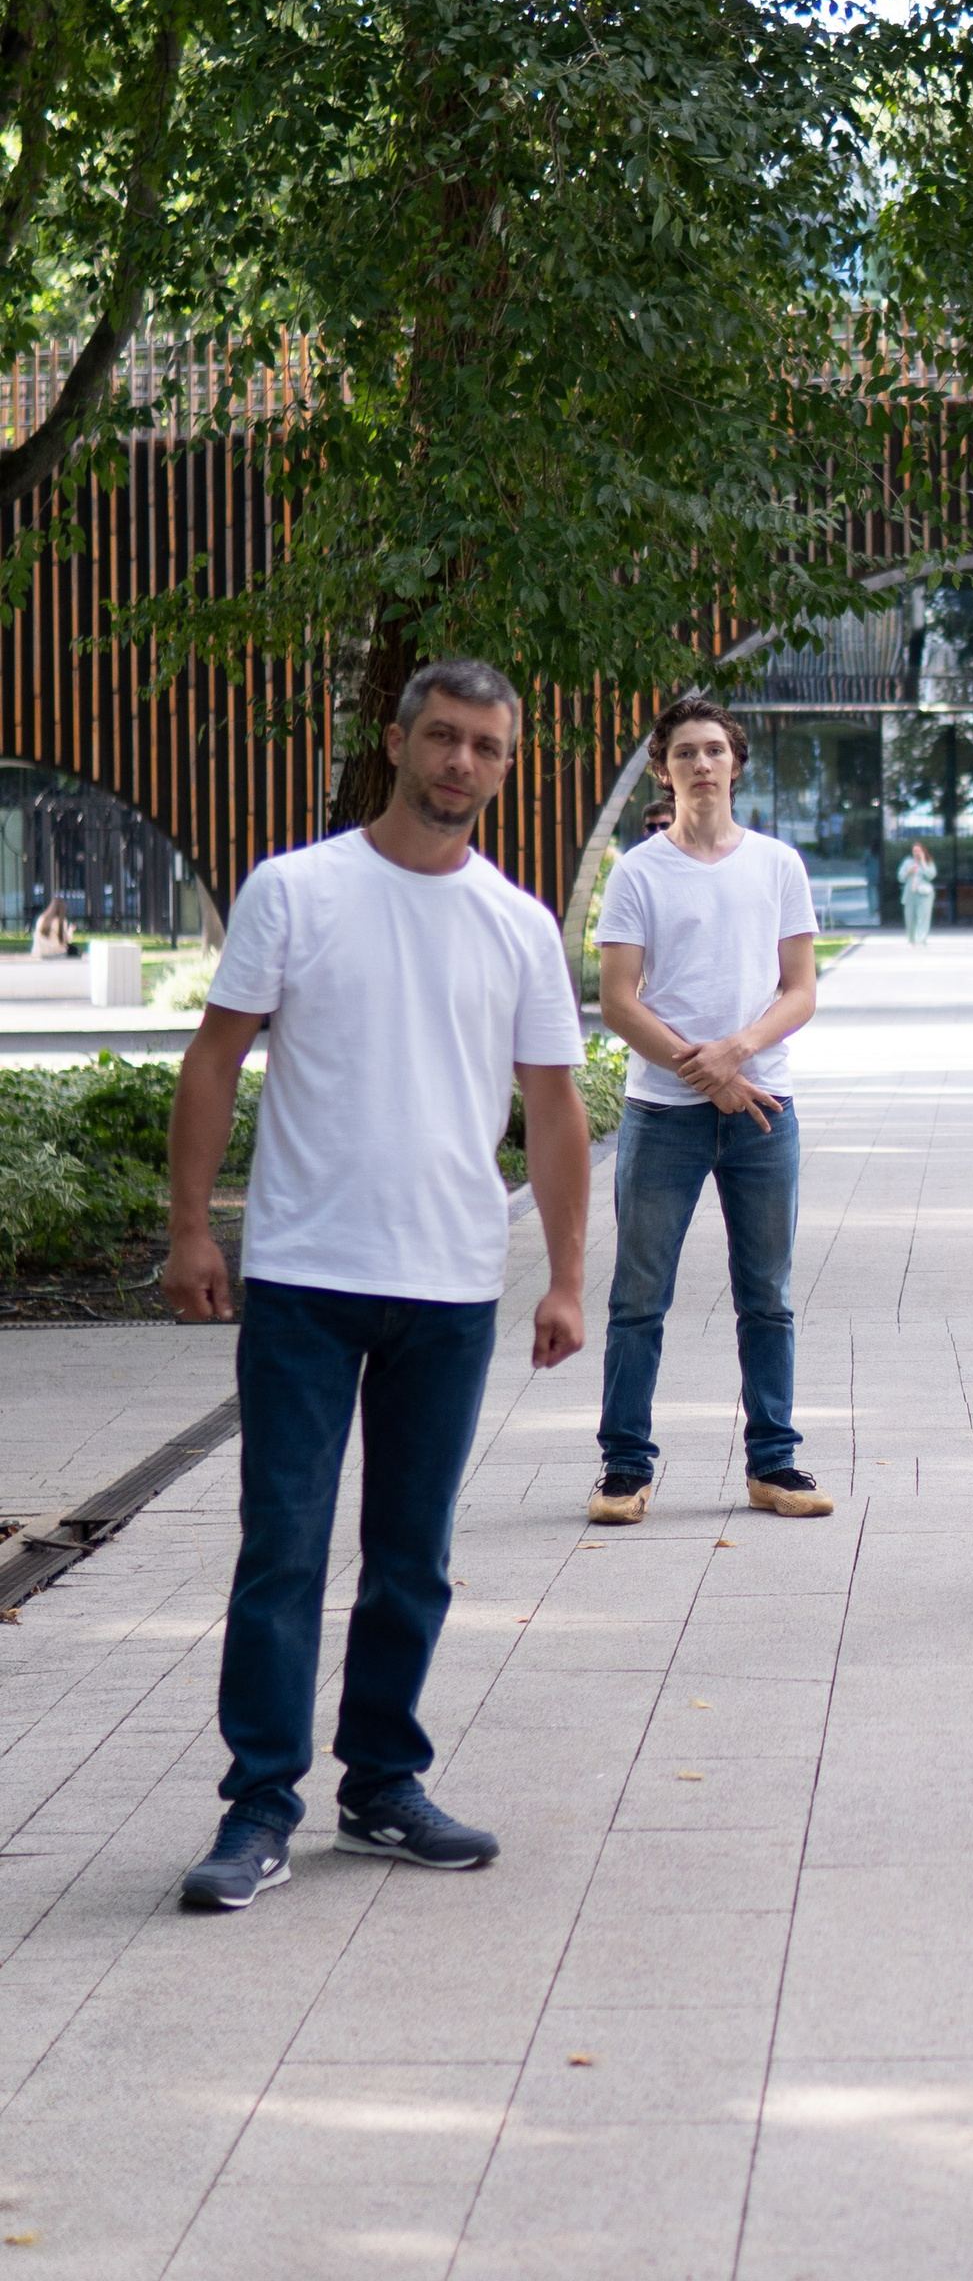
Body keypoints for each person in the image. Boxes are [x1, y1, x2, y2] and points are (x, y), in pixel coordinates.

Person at [161, 660, 591, 1915]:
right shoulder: (297, 889)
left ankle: (384, 1782)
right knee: (282, 1547)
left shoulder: (516, 921)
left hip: (451, 1283)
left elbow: (555, 1109)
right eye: (443, 737)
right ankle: (258, 1808)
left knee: (413, 1556)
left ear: (508, 767)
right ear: (397, 740)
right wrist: (194, 1229)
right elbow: (214, 1059)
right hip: (301, 1275)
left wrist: (565, 1276)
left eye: (487, 747)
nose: (462, 762)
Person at [590, 693, 826, 1525]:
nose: (700, 764)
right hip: (664, 1115)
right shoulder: (638, 872)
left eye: (714, 750)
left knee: (768, 1295)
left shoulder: (778, 866)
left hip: (766, 1108)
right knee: (638, 1296)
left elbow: (800, 991)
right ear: (663, 769)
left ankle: (775, 1465)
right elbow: (619, 1002)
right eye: (684, 751)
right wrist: (708, 1073)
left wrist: (735, 1053)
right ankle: (624, 1468)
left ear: (736, 763)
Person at [898, 840, 937, 947]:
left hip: (924, 894)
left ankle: (922, 939)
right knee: (909, 917)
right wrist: (909, 871)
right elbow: (900, 877)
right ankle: (911, 939)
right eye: (914, 851)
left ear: (923, 851)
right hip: (910, 893)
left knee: (923, 916)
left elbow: (931, 875)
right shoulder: (907, 862)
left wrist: (924, 863)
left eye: (919, 851)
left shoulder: (928, 862)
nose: (916, 853)